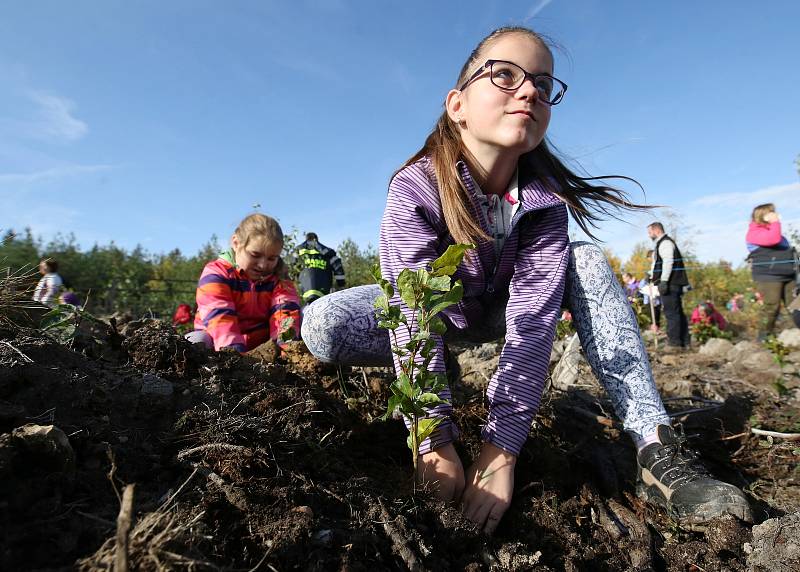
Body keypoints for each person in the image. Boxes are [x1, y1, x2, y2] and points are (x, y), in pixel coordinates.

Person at [301, 26, 751, 533]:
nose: (530, 90)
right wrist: (433, 438)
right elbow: (411, 310)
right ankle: (441, 372)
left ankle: (655, 447)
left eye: (542, 82)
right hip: (433, 315)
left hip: (500, 313)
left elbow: (532, 323)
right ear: (458, 105)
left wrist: (501, 449)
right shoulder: (416, 187)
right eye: (504, 75)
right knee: (323, 322)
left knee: (585, 259)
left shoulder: (544, 202)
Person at [188, 214, 301, 352]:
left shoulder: (280, 279)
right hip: (218, 345)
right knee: (195, 341)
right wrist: (236, 359)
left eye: (272, 258)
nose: (263, 265)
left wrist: (286, 352)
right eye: (255, 255)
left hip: (262, 347)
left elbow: (285, 315)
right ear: (236, 243)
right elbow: (220, 319)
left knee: (307, 315)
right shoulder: (216, 273)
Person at [745, 203, 797, 338]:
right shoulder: (754, 232)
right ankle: (763, 337)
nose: (776, 214)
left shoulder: (775, 230)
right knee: (771, 307)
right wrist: (775, 222)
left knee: (796, 305)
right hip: (769, 276)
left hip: (788, 274)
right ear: (763, 215)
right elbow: (773, 239)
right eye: (772, 212)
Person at [647, 222, 690, 348]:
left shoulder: (665, 243)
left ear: (656, 230)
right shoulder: (663, 243)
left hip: (671, 283)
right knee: (677, 312)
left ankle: (674, 343)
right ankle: (684, 341)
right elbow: (659, 264)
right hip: (672, 283)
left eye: (650, 232)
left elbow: (668, 262)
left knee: (671, 313)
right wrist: (651, 275)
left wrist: (664, 281)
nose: (649, 235)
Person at [296, 233, 346, 304]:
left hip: (303, 296)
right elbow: (338, 270)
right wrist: (341, 285)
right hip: (323, 296)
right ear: (317, 239)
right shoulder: (327, 252)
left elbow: (289, 269)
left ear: (306, 238)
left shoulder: (298, 252)